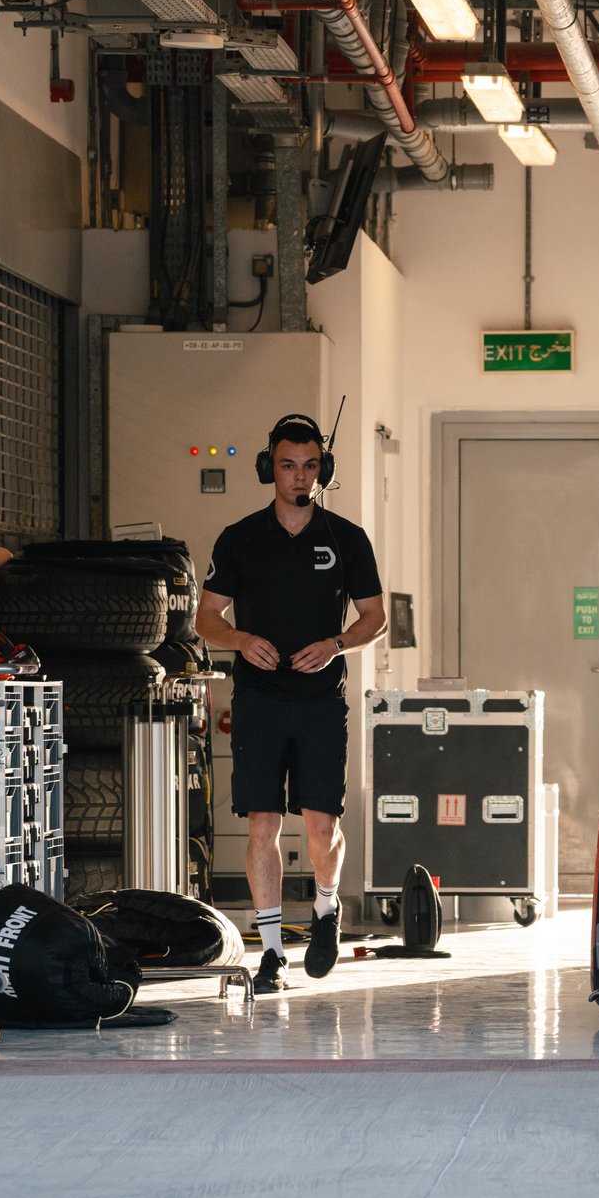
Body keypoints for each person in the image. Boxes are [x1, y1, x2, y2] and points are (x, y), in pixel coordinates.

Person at [193, 413, 384, 995]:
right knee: (264, 823)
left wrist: (336, 643)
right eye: (287, 465)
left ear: (322, 469)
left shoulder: (346, 538)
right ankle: (271, 951)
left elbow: (374, 617)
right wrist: (241, 639)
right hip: (260, 697)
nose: (299, 477)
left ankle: (326, 909)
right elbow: (205, 619)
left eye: (309, 466)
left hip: (322, 698)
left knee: (322, 826)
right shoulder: (240, 538)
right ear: (268, 468)